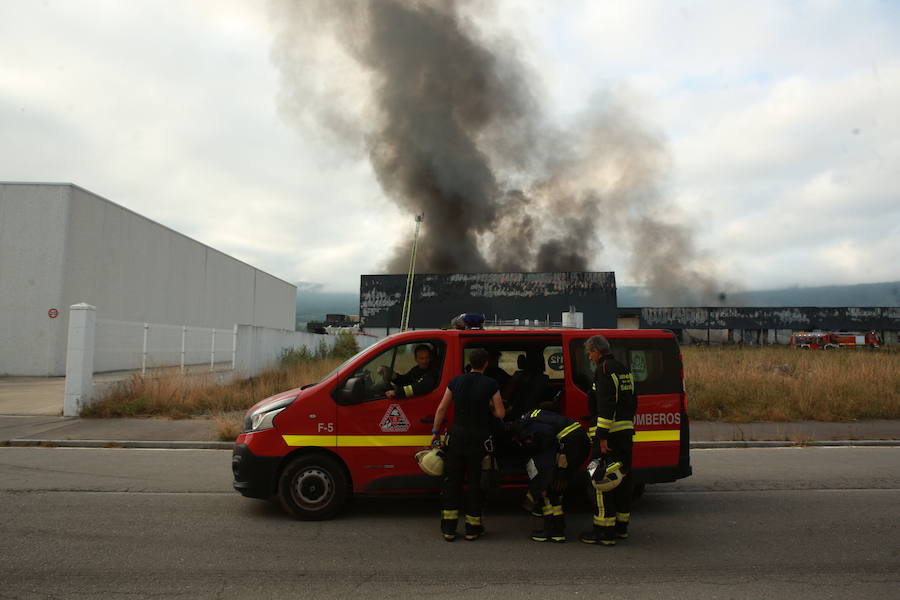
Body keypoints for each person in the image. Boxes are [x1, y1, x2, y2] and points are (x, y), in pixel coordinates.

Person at [430, 348, 505, 541]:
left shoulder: (455, 382)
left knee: (452, 482)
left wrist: (435, 432)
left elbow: (442, 408)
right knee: (474, 484)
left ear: (470, 363)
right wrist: (488, 405)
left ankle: (449, 528)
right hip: (478, 440)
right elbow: (501, 414)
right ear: (486, 364)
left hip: (456, 439)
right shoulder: (491, 384)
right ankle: (473, 529)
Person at [579, 334, 637, 546]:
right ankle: (621, 528)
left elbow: (605, 405)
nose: (589, 358)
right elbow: (632, 401)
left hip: (608, 437)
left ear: (596, 351)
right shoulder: (622, 368)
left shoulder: (603, 370)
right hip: (624, 434)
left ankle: (604, 532)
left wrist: (602, 437)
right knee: (622, 480)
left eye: (589, 353)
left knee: (600, 480)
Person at [516, 405, 590, 543]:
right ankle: (556, 528)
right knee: (554, 487)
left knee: (549, 486)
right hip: (579, 442)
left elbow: (546, 438)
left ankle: (554, 530)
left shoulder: (529, 427)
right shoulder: (533, 415)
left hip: (570, 444)